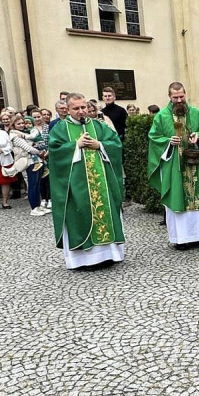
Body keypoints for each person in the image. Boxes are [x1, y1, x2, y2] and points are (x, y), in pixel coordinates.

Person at [48, 93, 126, 269]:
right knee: (81, 212)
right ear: (67, 110)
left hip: (102, 182)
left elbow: (115, 144)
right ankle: (85, 260)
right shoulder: (60, 129)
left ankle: (109, 254)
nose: (81, 111)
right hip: (76, 185)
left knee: (104, 211)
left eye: (83, 107)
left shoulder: (98, 125)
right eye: (76, 108)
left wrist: (100, 146)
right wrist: (75, 145)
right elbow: (54, 152)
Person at [147, 82, 199, 249]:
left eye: (181, 96)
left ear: (185, 94)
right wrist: (168, 142)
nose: (179, 100)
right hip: (174, 166)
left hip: (195, 164)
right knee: (178, 199)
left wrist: (198, 136)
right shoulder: (161, 116)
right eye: (175, 97)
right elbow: (154, 138)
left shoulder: (196, 113)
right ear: (169, 97)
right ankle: (181, 239)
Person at [8, 114, 48, 216]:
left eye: (22, 123)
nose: (21, 125)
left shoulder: (26, 132)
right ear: (13, 125)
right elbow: (28, 148)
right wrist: (39, 152)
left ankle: (38, 206)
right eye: (18, 124)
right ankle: (34, 208)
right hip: (28, 161)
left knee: (37, 184)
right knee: (32, 185)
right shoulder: (14, 136)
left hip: (36, 160)